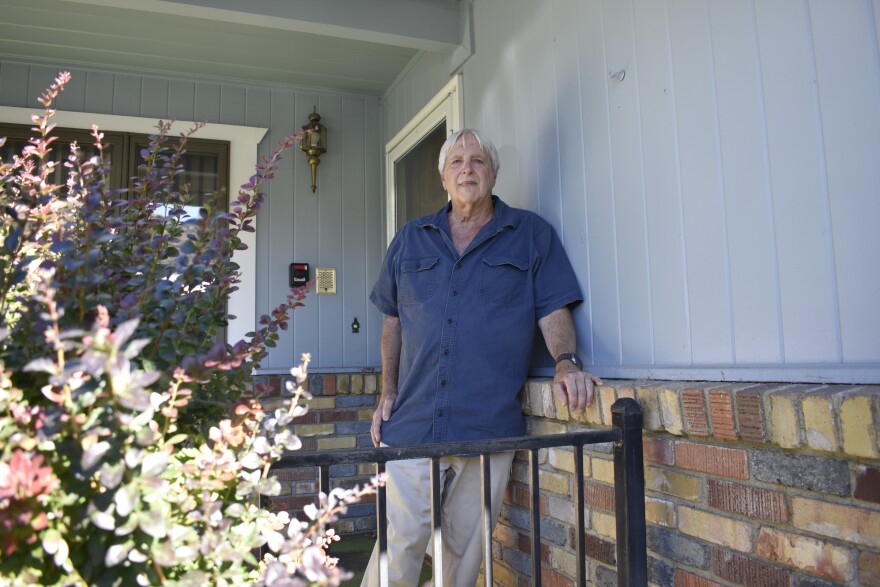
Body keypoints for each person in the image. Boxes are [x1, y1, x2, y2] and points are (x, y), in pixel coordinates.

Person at [362, 128, 602, 587]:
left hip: (487, 425)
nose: (467, 169)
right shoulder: (410, 239)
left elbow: (553, 308)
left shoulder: (530, 234)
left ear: (492, 173)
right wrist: (387, 390)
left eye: (477, 161)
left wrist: (566, 361)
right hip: (413, 423)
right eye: (457, 162)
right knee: (398, 546)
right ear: (443, 178)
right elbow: (393, 321)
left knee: (462, 560)